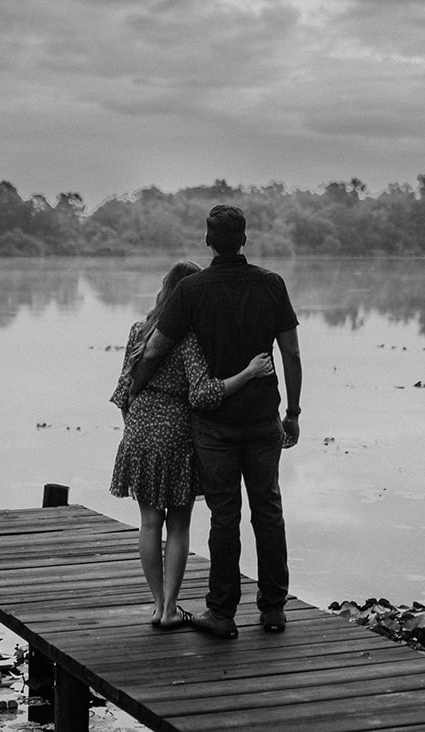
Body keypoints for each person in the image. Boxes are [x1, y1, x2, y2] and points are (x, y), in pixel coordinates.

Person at [126, 205, 302, 639]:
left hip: (214, 425)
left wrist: (133, 393)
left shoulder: (191, 291)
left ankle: (222, 615)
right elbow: (291, 354)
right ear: (244, 239)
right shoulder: (271, 284)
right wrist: (292, 412)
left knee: (225, 515)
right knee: (269, 509)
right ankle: (273, 608)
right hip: (263, 418)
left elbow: (154, 350)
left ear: (208, 241)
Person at [109, 259, 275, 630]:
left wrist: (134, 430)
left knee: (149, 523)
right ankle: (170, 609)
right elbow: (202, 394)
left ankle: (157, 606)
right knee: (178, 526)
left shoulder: (139, 331)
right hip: (176, 433)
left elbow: (123, 392)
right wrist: (248, 372)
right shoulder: (188, 338)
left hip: (138, 430)